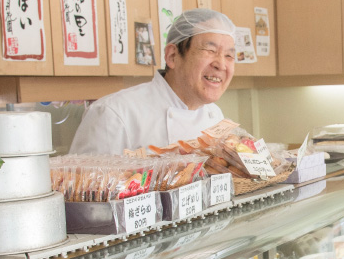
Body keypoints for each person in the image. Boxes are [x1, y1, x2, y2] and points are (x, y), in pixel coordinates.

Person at [69, 9, 236, 155]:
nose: (221, 64)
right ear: (172, 56)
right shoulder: (113, 114)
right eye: (210, 50)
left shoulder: (215, 116)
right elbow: (84, 187)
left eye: (229, 55)